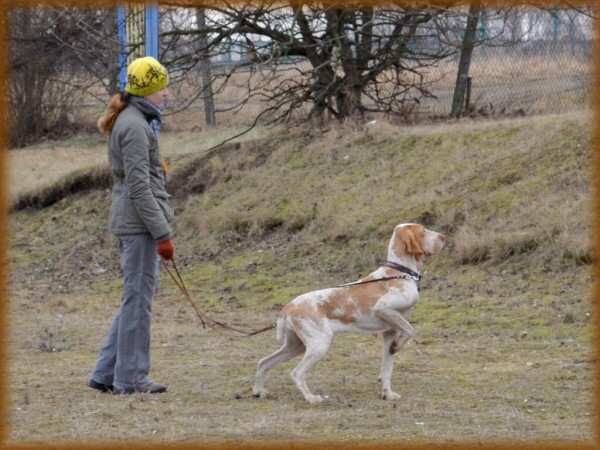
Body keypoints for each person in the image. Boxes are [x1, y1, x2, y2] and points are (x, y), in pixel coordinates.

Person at [88, 56, 175, 395]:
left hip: (135, 223)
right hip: (139, 226)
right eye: (162, 87)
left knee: (132, 299)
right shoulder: (136, 126)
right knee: (138, 302)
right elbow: (139, 188)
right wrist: (163, 233)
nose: (166, 93)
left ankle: (105, 374)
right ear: (147, 90)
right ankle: (132, 379)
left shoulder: (133, 120)